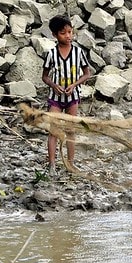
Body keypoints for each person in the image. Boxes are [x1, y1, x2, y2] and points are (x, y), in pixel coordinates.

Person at [41, 16, 91, 174]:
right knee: (53, 130)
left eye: (70, 32)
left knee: (70, 130)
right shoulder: (51, 54)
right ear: (55, 35)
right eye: (63, 33)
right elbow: (45, 76)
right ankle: (52, 164)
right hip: (55, 98)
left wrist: (75, 85)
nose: (68, 36)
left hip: (72, 97)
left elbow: (86, 74)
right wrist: (53, 85)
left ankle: (70, 163)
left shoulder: (78, 53)